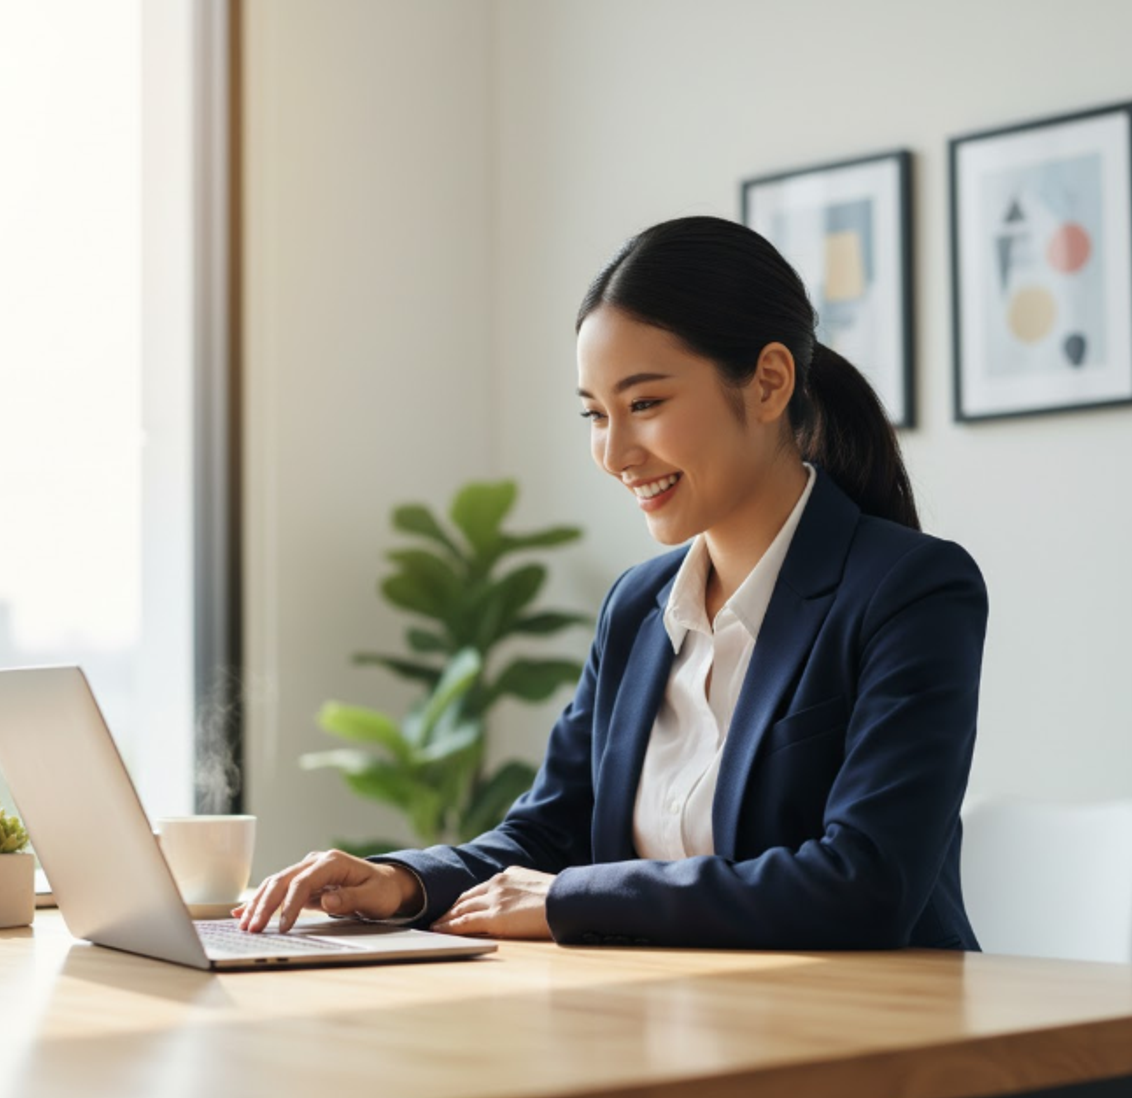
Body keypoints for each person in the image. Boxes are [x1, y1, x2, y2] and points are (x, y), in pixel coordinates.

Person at [235, 216, 988, 950]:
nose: (614, 451)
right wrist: (403, 880)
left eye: (645, 404)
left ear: (767, 383)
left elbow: (866, 883)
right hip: (664, 1020)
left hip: (872, 1035)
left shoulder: (911, 591)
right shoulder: (638, 606)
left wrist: (572, 897)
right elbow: (549, 830)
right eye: (596, 414)